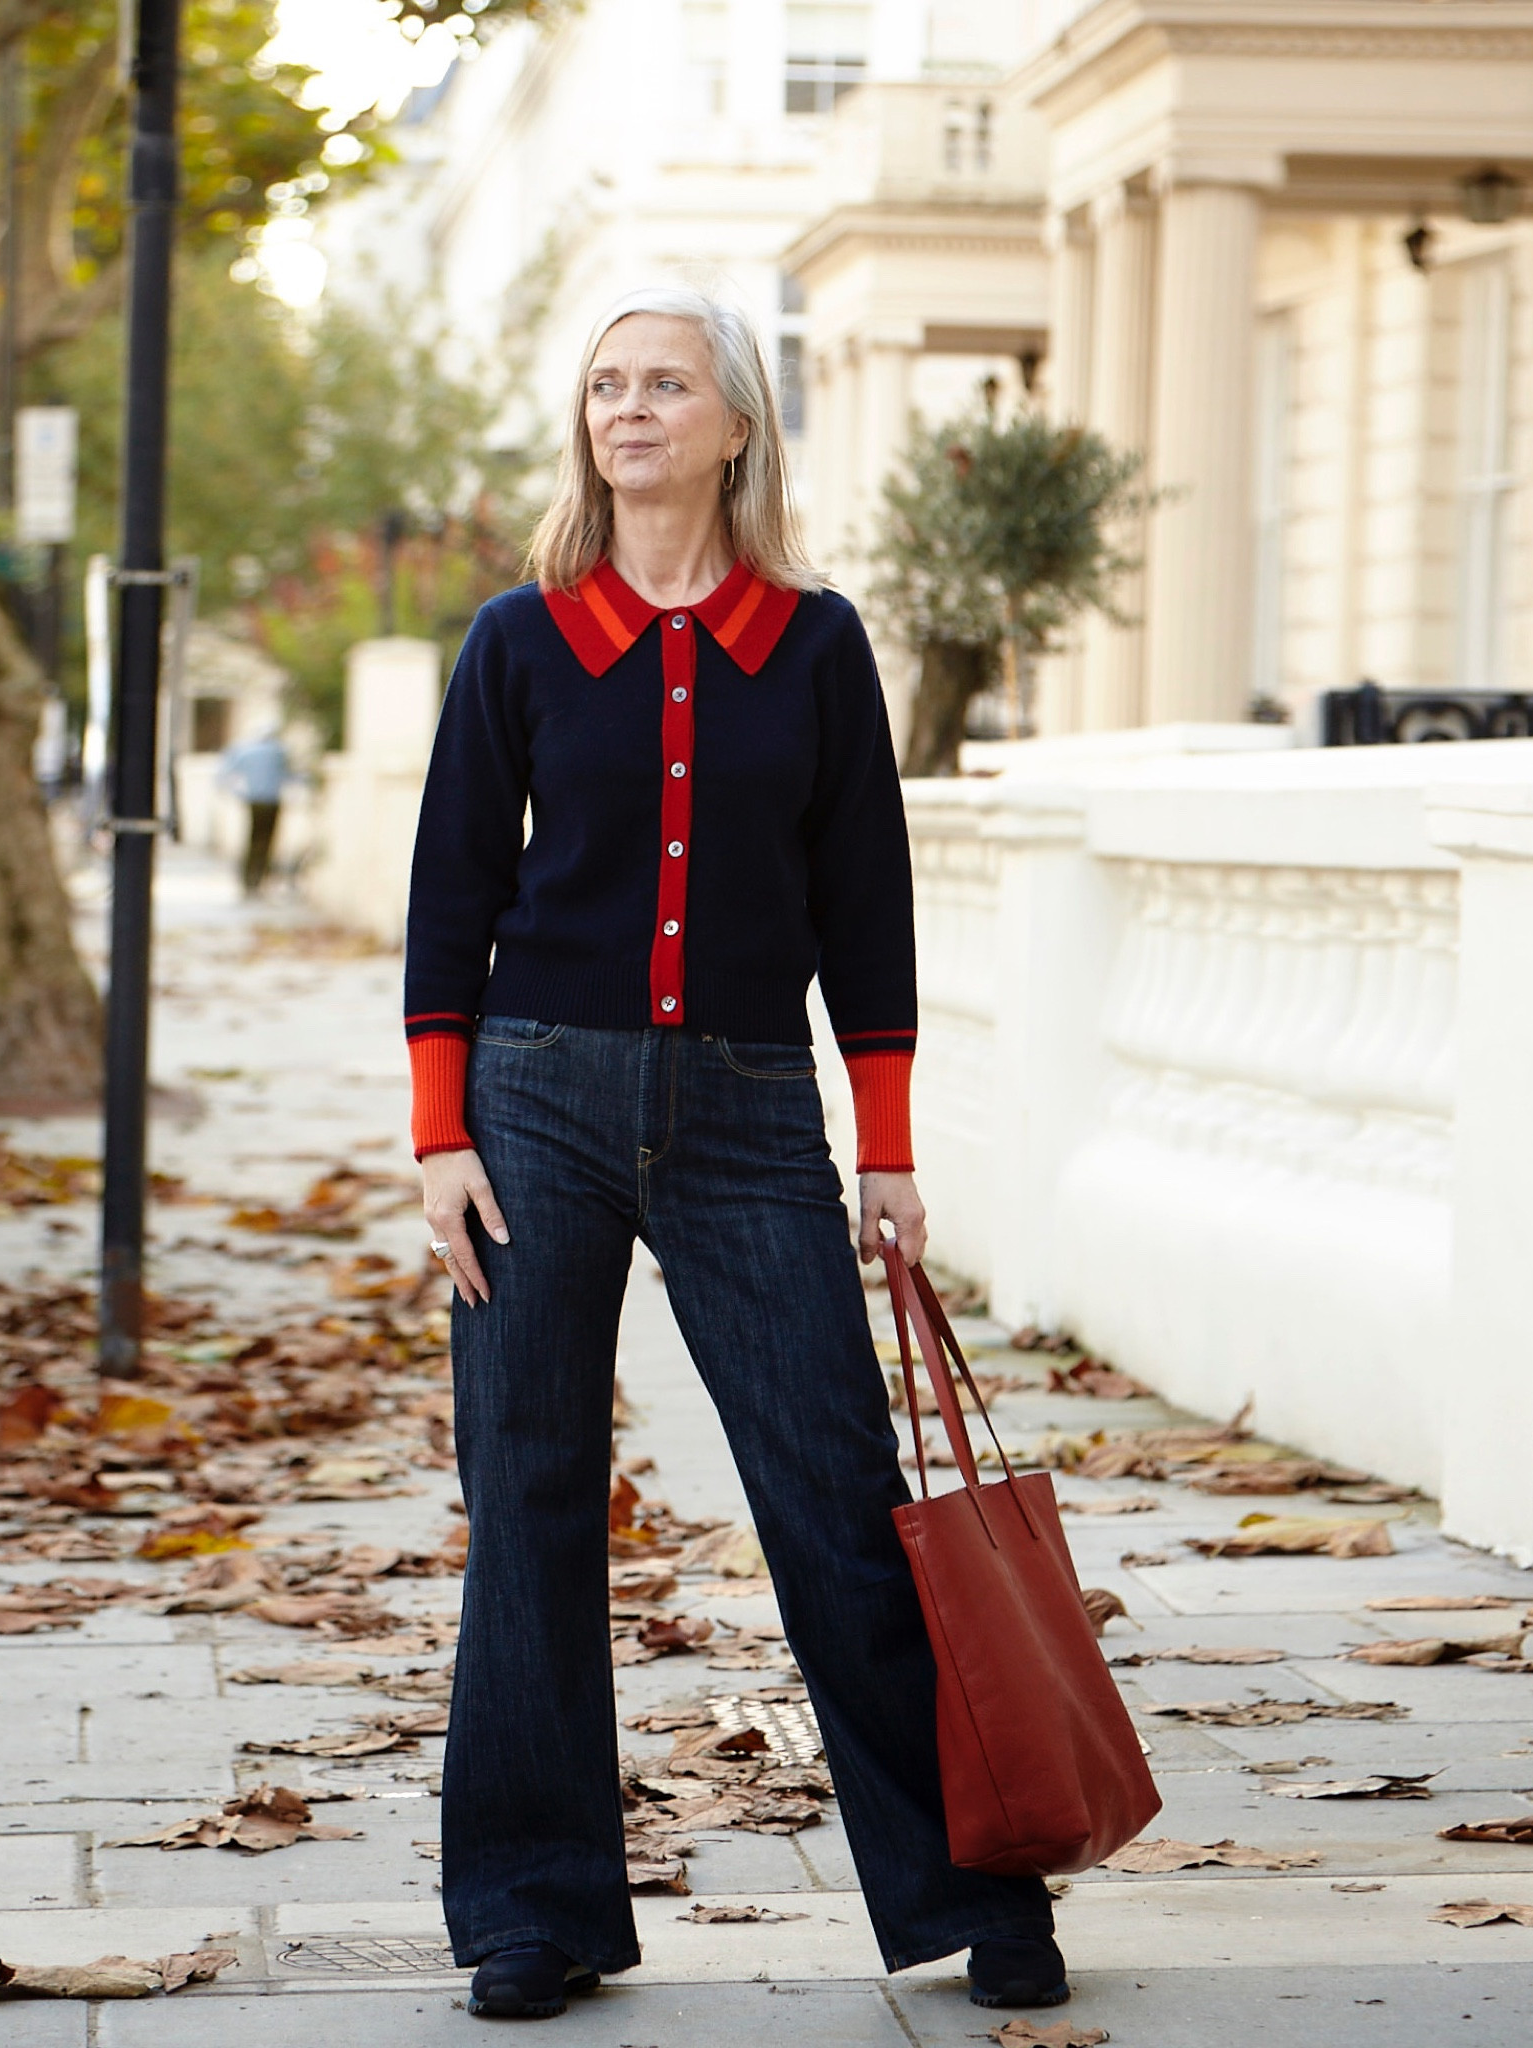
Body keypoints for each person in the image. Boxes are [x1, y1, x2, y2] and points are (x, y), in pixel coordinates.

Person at [404, 288, 1067, 2022]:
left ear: (734, 424)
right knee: (531, 1499)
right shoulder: (523, 641)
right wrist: (435, 1135)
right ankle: (531, 1910)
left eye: (665, 383)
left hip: (753, 1111)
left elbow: (869, 907)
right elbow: (451, 894)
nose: (628, 409)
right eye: (606, 386)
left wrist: (892, 1148)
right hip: (531, 1105)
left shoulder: (815, 642)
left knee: (838, 1498)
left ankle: (968, 1880)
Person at [219, 725, 288, 895]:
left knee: (253, 840)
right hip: (271, 801)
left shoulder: (247, 751)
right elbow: (288, 774)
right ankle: (257, 880)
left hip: (255, 801)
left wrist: (238, 793)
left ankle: (250, 880)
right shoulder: (278, 752)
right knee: (266, 841)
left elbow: (224, 774)